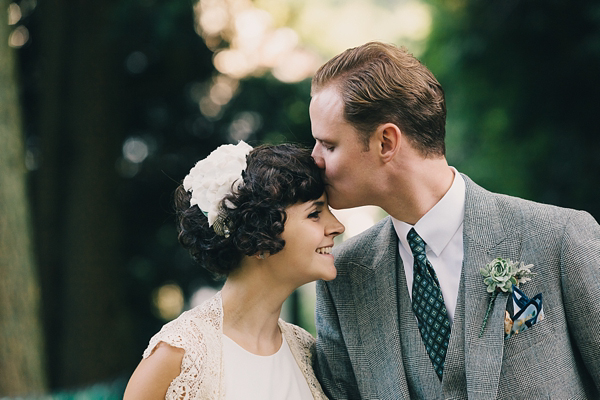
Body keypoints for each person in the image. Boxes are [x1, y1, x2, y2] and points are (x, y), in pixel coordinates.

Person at [309, 41, 600, 399]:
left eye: (329, 145)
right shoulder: (343, 279)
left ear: (386, 142)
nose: (314, 159)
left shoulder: (560, 238)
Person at [124, 142, 344, 400]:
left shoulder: (306, 351)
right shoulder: (179, 355)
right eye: (315, 214)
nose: (337, 226)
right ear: (259, 236)